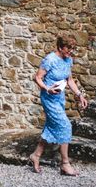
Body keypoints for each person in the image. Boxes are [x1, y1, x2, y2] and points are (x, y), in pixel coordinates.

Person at [29, 36, 88, 176]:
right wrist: (47, 88)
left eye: (72, 49)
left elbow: (69, 80)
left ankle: (35, 156)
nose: (71, 51)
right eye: (68, 48)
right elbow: (37, 77)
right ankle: (65, 164)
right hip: (49, 98)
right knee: (65, 126)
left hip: (59, 98)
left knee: (51, 127)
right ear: (60, 47)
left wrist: (80, 95)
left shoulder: (68, 60)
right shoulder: (50, 60)